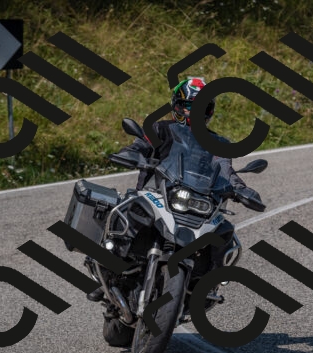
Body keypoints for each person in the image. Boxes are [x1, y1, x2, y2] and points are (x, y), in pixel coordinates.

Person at [87, 77, 262, 302]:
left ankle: (208, 285)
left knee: (225, 231)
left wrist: (239, 188)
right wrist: (132, 154)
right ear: (177, 106)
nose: (193, 113)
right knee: (126, 209)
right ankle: (110, 271)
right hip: (156, 195)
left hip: (196, 204)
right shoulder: (160, 129)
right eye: (188, 106)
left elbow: (225, 168)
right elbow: (141, 144)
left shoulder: (218, 142)